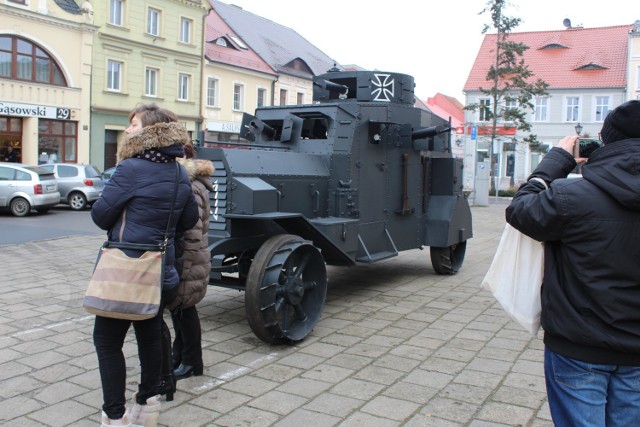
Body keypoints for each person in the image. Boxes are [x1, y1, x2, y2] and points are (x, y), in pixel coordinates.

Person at [505, 100, 640, 427]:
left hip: (579, 347)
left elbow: (520, 211)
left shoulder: (570, 197)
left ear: (604, 143)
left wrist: (556, 161)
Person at [91, 103, 199, 427]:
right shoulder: (179, 171)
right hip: (160, 269)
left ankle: (114, 415)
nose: (127, 129)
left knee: (107, 341)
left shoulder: (131, 168)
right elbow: (190, 219)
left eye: (133, 123)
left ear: (149, 130)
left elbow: (100, 216)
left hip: (126, 270)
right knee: (149, 335)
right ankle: (147, 406)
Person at [167, 143, 214, 380]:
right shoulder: (190, 183)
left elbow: (193, 233)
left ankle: (192, 362)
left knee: (185, 311)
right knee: (180, 310)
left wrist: (182, 267)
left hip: (190, 259)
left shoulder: (192, 188)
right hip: (190, 258)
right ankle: (181, 356)